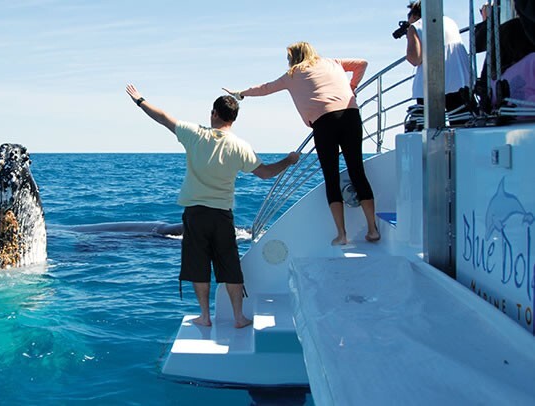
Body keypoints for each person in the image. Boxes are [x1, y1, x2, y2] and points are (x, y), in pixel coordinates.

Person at [125, 84, 299, 329]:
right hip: (222, 215)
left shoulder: (195, 134)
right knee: (229, 266)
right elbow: (266, 173)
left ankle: (205, 317)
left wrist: (140, 100)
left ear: (214, 114)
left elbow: (162, 117)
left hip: (195, 214)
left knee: (198, 266)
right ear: (234, 119)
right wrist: (289, 161)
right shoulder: (240, 146)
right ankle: (239, 317)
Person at [223, 41, 378, 246]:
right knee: (357, 171)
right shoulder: (333, 62)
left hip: (325, 124)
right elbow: (362, 64)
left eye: (288, 58)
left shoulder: (293, 74)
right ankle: (373, 229)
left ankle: (342, 235)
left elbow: (265, 88)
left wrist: (241, 93)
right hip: (351, 115)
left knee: (331, 178)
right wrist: (352, 87)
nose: (288, 63)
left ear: (294, 58)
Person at [404, 0, 471, 123]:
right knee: (462, 124)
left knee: (431, 131)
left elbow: (415, 59)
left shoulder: (416, 26)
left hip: (430, 85)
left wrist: (410, 36)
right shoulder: (450, 22)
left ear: (414, 16)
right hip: (460, 81)